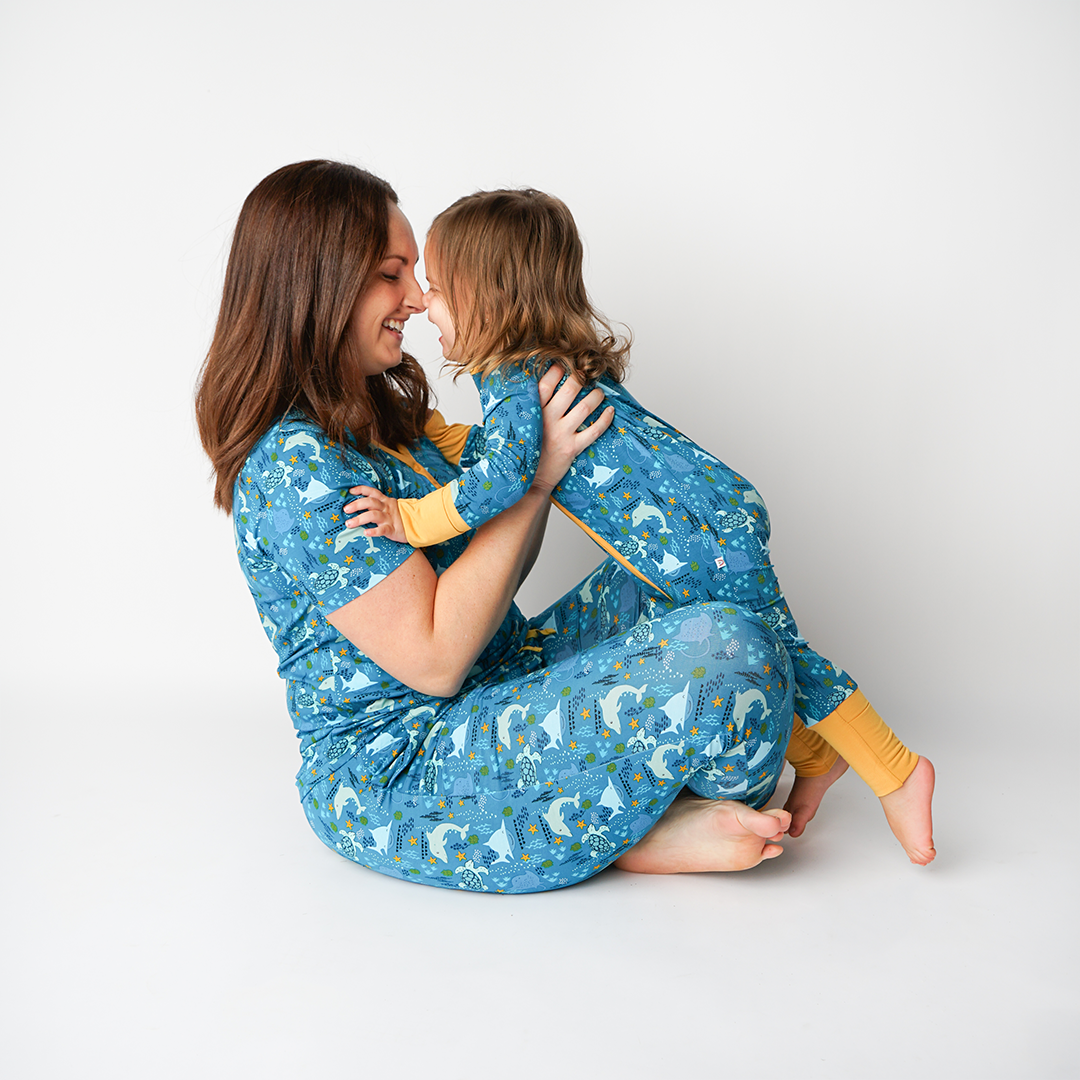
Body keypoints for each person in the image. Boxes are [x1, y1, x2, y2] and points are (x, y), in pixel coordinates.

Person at [195, 160, 800, 894]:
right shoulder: (294, 464)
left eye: (419, 274)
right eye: (394, 274)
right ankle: (633, 831)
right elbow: (436, 660)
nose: (418, 300)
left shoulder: (386, 417)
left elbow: (496, 567)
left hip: (510, 672)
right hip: (405, 765)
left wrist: (538, 469)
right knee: (729, 654)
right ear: (322, 285)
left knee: (688, 567)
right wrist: (535, 478)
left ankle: (613, 823)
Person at [345, 188, 935, 864]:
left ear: (487, 297)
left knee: (785, 649)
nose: (425, 305)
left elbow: (501, 477)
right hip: (702, 520)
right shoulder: (539, 365)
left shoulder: (516, 381)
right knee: (766, 636)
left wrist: (409, 518)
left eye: (441, 290)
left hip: (699, 530)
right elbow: (485, 453)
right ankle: (816, 755)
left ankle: (897, 771)